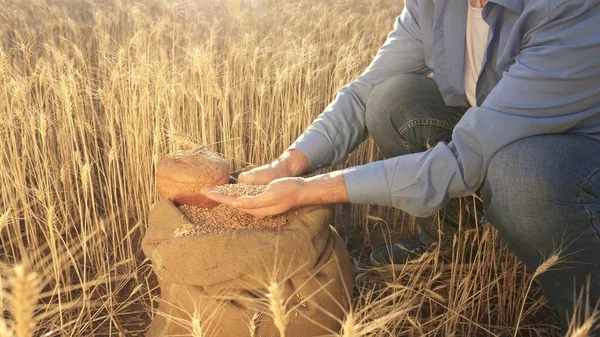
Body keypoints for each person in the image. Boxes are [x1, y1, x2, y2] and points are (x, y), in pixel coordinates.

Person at [202, 0, 600, 332]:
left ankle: (587, 317)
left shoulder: (569, 8)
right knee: (390, 97)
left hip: (576, 151)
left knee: (521, 176)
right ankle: (448, 247)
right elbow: (365, 92)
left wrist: (309, 190)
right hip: (493, 133)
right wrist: (287, 164)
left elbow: (463, 159)